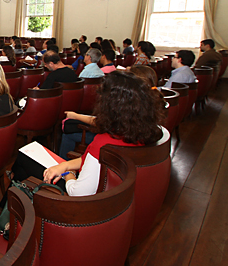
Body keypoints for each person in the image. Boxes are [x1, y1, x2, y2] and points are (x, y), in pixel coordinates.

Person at [11, 71, 165, 196]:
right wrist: (65, 165)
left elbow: (78, 192)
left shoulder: (103, 143)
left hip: (82, 203)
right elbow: (90, 161)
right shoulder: (150, 131)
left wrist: (68, 174)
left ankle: (9, 214)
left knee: (24, 157)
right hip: (115, 194)